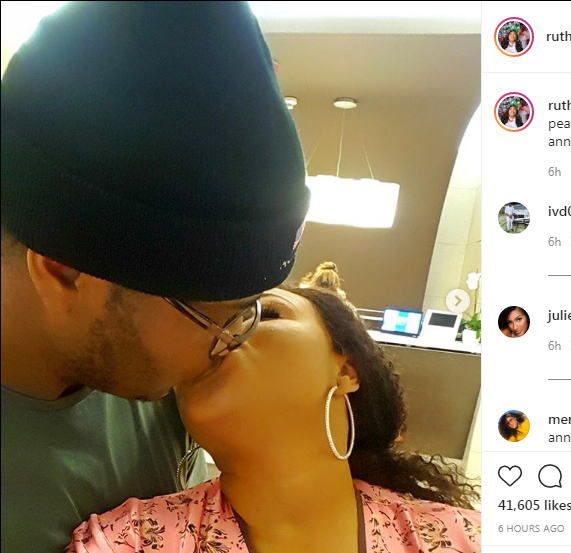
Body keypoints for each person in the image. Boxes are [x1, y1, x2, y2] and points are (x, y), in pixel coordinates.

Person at [1, 3, 309, 551]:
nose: (234, 346)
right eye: (215, 318)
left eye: (250, 311)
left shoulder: (161, 385)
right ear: (65, 272)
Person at [67, 287, 481, 552]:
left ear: (346, 370)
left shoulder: (465, 539)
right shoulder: (127, 541)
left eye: (264, 313)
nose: (215, 333)